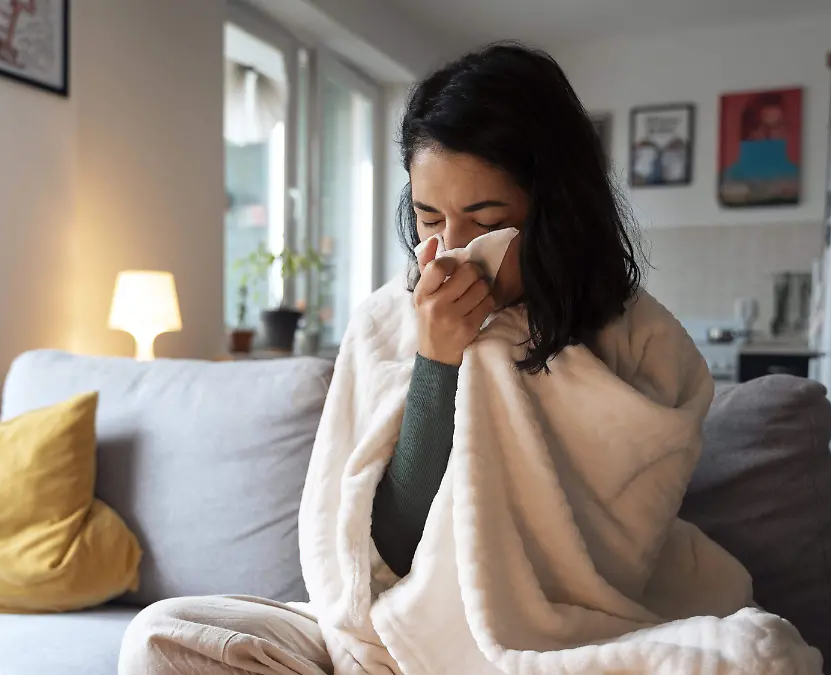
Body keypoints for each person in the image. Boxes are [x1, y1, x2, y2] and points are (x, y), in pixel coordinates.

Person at [119, 43, 670, 675]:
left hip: (540, 646)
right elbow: (386, 556)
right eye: (430, 217)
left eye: (484, 218)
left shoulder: (632, 337)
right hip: (382, 632)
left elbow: (611, 564)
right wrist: (437, 364)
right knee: (164, 636)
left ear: (556, 213)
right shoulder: (388, 320)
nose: (452, 249)